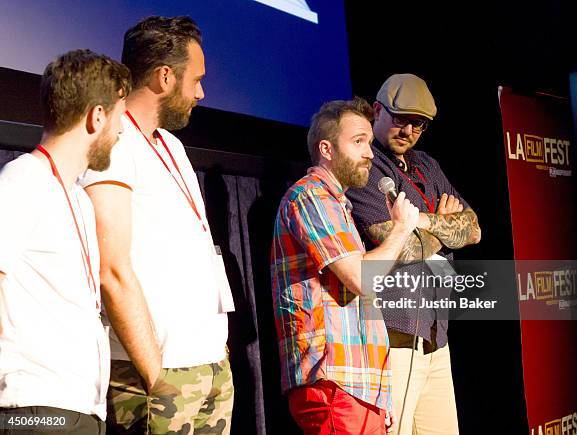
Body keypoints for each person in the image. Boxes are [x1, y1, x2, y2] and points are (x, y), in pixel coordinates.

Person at [79, 16, 234, 434]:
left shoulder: (174, 147)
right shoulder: (111, 141)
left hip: (210, 364)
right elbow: (111, 268)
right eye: (196, 80)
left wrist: (216, 350)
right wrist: (155, 376)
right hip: (158, 373)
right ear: (165, 76)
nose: (201, 92)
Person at [271, 97, 421, 434]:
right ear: (326, 149)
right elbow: (361, 280)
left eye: (369, 141)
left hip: (358, 387)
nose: (369, 152)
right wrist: (400, 228)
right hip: (334, 386)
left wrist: (380, 395)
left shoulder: (339, 205)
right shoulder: (310, 196)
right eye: (359, 142)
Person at [0, 49, 130, 434]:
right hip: (36, 408)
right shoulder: (22, 180)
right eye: (120, 118)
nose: (121, 132)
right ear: (97, 116)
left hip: (77, 407)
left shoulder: (77, 199)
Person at [346, 73, 481, 435]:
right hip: (394, 337)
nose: (408, 130)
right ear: (377, 111)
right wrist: (441, 223)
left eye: (418, 124)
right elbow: (393, 242)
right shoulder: (365, 165)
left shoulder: (428, 165)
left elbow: (473, 229)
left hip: (436, 337)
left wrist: (419, 222)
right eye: (401, 118)